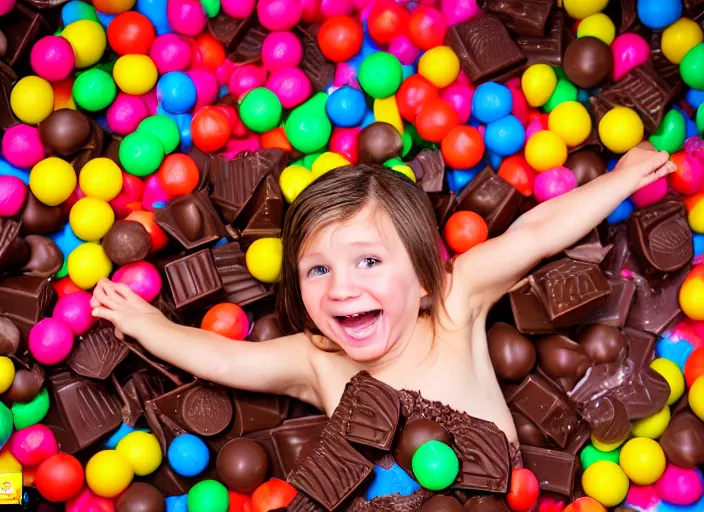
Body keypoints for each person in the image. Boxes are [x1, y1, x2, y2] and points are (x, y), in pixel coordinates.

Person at [91, 142, 675, 446]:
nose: (344, 288)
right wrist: (147, 326)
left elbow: (536, 234)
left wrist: (620, 178)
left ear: (425, 274)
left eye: (368, 261)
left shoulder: (452, 305)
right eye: (317, 271)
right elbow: (223, 357)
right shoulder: (315, 360)